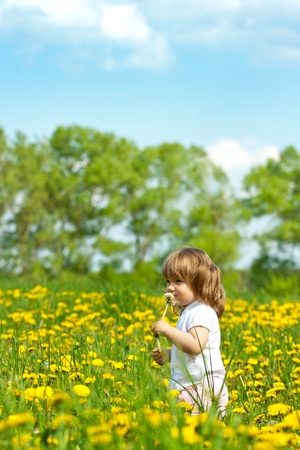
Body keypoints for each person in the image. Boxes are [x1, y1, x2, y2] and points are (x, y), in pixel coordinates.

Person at [151, 247, 228, 417]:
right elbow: (192, 350)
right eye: (167, 282)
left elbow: (195, 345)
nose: (170, 288)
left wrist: (168, 330)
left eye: (178, 281)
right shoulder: (190, 312)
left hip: (201, 387)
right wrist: (171, 354)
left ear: (200, 284)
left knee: (195, 434)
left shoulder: (201, 312)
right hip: (193, 385)